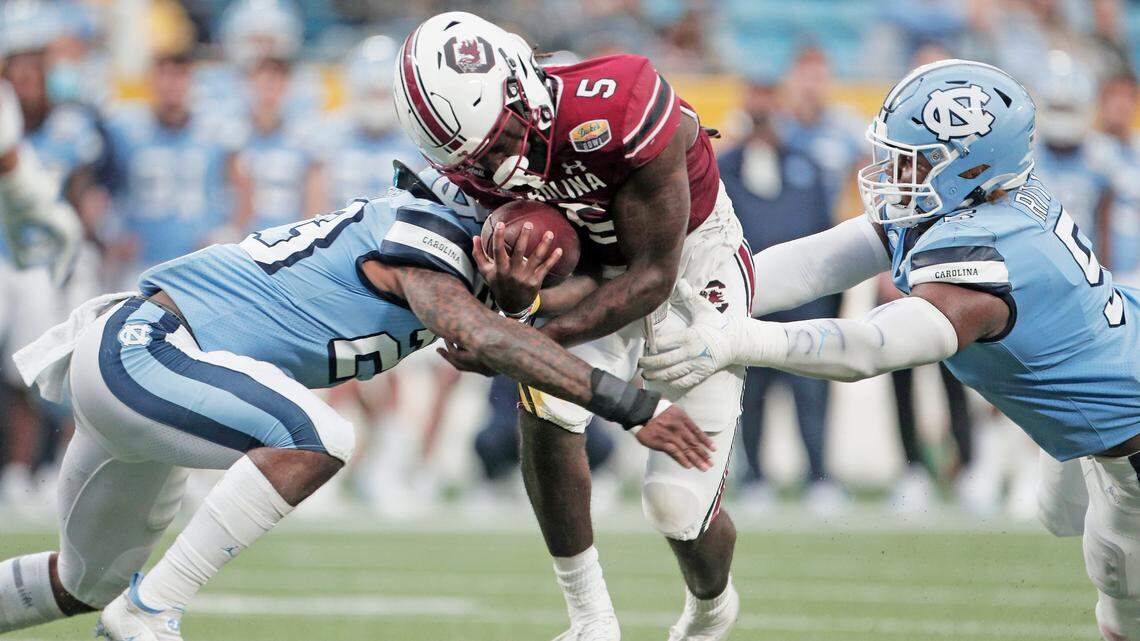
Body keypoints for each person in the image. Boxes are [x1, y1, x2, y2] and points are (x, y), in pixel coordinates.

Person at [0, 167, 711, 640]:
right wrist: (634, 405)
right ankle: (152, 610)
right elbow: (483, 334)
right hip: (148, 349)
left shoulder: (451, 263)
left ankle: (131, 607)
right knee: (318, 437)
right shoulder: (426, 235)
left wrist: (530, 301)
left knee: (80, 582)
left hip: (152, 375)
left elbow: (520, 323)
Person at [639, 59, 1140, 641]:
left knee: (1119, 585)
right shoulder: (977, 198)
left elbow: (870, 346)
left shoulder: (987, 257)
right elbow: (820, 260)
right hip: (1102, 397)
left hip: (1127, 434)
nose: (893, 172)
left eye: (916, 160)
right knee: (1059, 516)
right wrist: (708, 292)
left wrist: (739, 339)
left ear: (972, 166)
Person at [394, 12, 751, 641]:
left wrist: (526, 341)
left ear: (518, 84)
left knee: (677, 509)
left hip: (694, 266)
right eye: (478, 160)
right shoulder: (463, 166)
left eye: (500, 143)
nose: (498, 171)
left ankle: (711, 609)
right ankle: (590, 620)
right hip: (599, 270)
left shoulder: (621, 101)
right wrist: (514, 309)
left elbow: (653, 276)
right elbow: (568, 278)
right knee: (545, 402)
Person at [717, 76, 844, 513]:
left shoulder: (805, 163)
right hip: (749, 301)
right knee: (750, 396)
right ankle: (754, 477)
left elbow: (827, 232)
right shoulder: (725, 167)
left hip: (805, 304)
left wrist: (831, 301)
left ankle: (820, 477)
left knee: (811, 395)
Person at [101, 48, 247, 286]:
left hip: (199, 260)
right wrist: (110, 233)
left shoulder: (215, 129)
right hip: (141, 259)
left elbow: (245, 185)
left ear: (190, 81)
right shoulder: (123, 128)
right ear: (151, 81)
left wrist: (229, 232)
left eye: (178, 75)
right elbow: (101, 187)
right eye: (164, 75)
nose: (171, 85)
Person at [221, 0, 325, 233]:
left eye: (270, 41)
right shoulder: (221, 110)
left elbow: (315, 192)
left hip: (290, 237)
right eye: (255, 40)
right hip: (240, 238)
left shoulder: (308, 105)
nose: (263, 49)